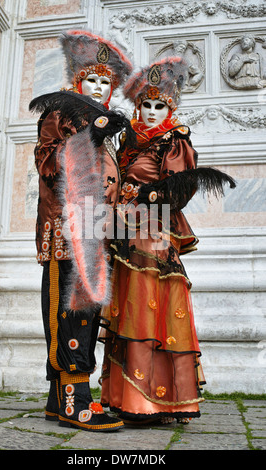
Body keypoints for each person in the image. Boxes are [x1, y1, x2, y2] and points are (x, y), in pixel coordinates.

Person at [98, 57, 236, 425]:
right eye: (147, 105)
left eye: (161, 106)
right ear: (139, 107)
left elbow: (180, 189)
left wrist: (145, 195)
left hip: (152, 232)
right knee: (128, 306)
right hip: (125, 232)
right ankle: (125, 396)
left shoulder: (175, 140)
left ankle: (150, 401)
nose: (154, 111)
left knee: (148, 305)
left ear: (170, 108)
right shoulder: (129, 139)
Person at [30, 29, 133, 431]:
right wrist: (93, 133)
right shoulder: (61, 112)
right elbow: (49, 163)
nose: (97, 86)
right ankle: (75, 400)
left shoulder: (105, 126)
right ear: (77, 80)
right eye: (90, 79)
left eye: (105, 82)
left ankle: (60, 401)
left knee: (86, 314)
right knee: (71, 314)